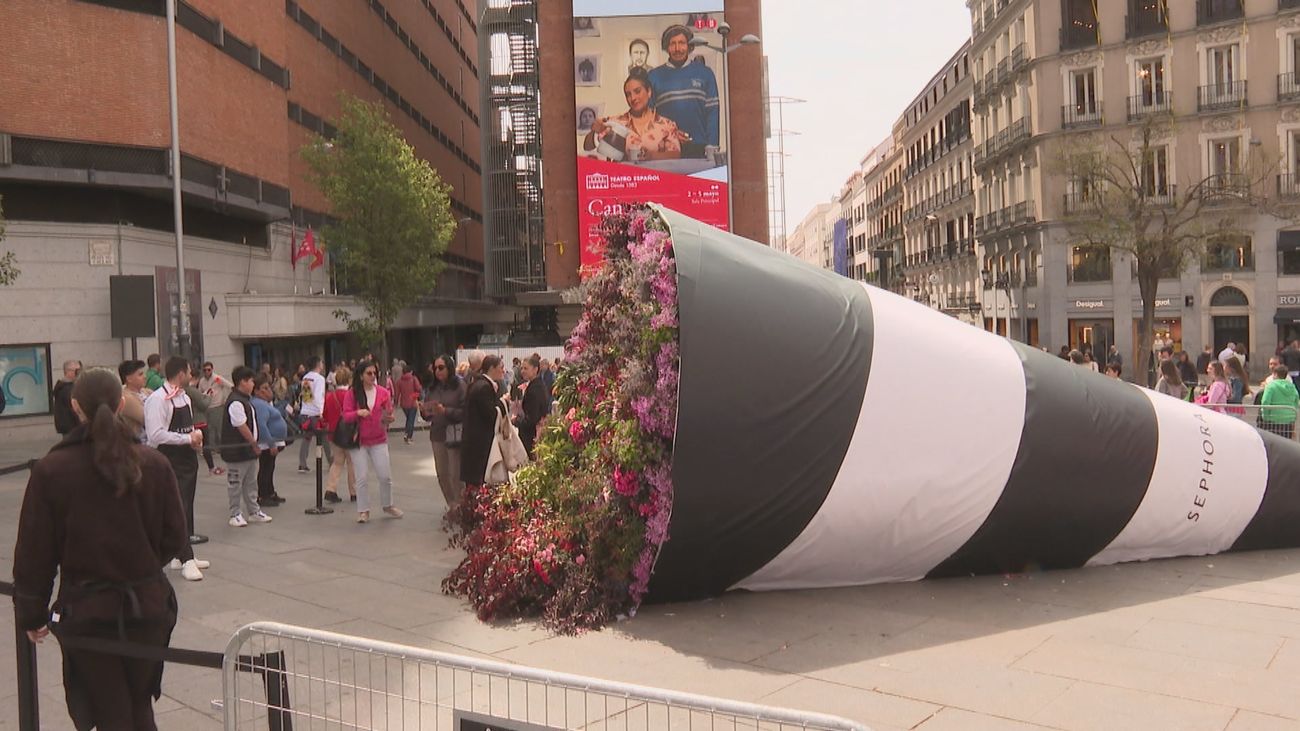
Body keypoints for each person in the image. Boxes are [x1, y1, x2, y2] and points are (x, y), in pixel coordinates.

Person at [13, 368, 189, 731]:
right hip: (147, 608)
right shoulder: (155, 464)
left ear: (75, 407)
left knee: (115, 712)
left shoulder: (52, 470)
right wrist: (139, 565)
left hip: (89, 612)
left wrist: (31, 612)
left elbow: (35, 552)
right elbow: (175, 537)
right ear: (122, 403)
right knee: (136, 706)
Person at [144, 356, 209, 581]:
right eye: (190, 372)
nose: (192, 376)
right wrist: (186, 439)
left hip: (187, 458)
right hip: (168, 458)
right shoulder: (157, 399)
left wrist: (195, 440)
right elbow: (155, 434)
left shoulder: (185, 397)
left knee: (187, 504)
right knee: (177, 507)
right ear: (181, 373)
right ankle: (186, 559)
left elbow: (188, 427)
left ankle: (179, 554)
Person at [341, 360, 403, 523]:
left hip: (379, 438)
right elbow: (346, 415)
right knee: (361, 477)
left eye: (375, 373)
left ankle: (387, 505)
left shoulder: (383, 392)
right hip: (359, 440)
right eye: (369, 373)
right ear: (361, 376)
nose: (373, 376)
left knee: (385, 476)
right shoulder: (352, 393)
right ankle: (363, 510)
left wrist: (390, 418)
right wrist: (358, 413)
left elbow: (388, 412)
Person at [585, 69, 689, 163]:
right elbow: (587, 146)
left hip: (656, 180)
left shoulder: (666, 124)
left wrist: (652, 156)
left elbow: (675, 154)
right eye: (628, 94)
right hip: (625, 180)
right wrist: (595, 131)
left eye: (637, 91)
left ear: (649, 92)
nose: (633, 98)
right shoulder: (616, 123)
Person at [648, 24, 719, 148]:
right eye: (672, 44)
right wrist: (669, 134)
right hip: (665, 147)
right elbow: (647, 117)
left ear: (689, 46)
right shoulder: (653, 76)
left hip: (700, 148)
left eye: (682, 43)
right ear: (666, 47)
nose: (677, 48)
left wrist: (712, 146)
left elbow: (713, 114)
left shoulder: (705, 73)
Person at [220, 366, 271, 528]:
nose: (252, 383)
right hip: (237, 451)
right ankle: (235, 513)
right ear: (242, 382)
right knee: (235, 483)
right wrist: (254, 444)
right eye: (250, 380)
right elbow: (241, 426)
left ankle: (254, 511)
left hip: (247, 452)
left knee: (251, 483)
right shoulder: (235, 401)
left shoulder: (245, 399)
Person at [422, 354, 467, 511]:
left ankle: (462, 505)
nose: (437, 371)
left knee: (455, 474)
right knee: (442, 473)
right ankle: (452, 504)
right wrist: (424, 411)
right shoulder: (432, 388)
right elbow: (427, 413)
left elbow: (465, 411)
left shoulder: (460, 386)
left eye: (441, 368)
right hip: (437, 434)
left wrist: (446, 411)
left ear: (449, 368)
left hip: (454, 434)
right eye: (435, 368)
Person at [461, 355, 509, 489]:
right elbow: (492, 415)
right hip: (479, 447)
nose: (503, 371)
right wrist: (504, 401)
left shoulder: (478, 383)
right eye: (501, 367)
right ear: (492, 368)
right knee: (479, 486)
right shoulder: (483, 387)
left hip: (474, 445)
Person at [320, 365, 357, 503]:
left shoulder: (330, 396)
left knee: (337, 463)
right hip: (349, 433)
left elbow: (325, 415)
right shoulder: (352, 395)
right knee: (352, 463)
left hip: (334, 434)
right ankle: (354, 492)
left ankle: (331, 489)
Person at [251, 376, 288, 507]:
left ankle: (270, 492)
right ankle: (263, 495)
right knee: (265, 468)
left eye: (268, 388)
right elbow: (261, 425)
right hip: (267, 443)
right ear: (256, 391)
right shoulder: (259, 404)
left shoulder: (265, 403)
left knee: (270, 467)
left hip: (272, 441)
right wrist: (271, 444)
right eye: (264, 389)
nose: (268, 391)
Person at [198, 361, 232, 478]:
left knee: (218, 428)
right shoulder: (202, 381)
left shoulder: (217, 378)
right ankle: (212, 448)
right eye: (205, 370)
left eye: (209, 370)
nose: (207, 372)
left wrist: (225, 398)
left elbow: (229, 385)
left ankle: (222, 448)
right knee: (210, 428)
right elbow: (199, 393)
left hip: (217, 406)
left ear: (212, 370)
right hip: (207, 407)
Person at [514, 355, 551, 459]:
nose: (522, 371)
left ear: (535, 370)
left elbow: (532, 418)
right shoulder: (535, 385)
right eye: (521, 368)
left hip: (531, 436)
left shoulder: (535, 389)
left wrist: (516, 421)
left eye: (526, 368)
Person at [297, 356, 328, 473]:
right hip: (315, 413)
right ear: (318, 364)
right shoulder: (319, 379)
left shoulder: (306, 377)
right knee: (324, 437)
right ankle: (331, 460)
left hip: (306, 412)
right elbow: (319, 396)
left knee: (306, 438)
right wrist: (320, 411)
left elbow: (306, 396)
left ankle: (302, 463)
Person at [1259, 364, 1300, 439]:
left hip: (1274, 418)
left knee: (1274, 442)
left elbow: (1265, 401)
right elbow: (1297, 402)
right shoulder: (1292, 387)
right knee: (1286, 442)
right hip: (1288, 419)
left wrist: (1265, 416)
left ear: (1275, 374)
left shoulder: (1271, 386)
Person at [118, 359, 152, 439]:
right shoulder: (126, 397)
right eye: (140, 374)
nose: (145, 377)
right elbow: (146, 419)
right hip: (139, 441)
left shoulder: (146, 391)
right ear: (129, 379)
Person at [393, 362, 422, 445]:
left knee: (408, 419)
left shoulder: (399, 381)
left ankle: (406, 434)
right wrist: (416, 395)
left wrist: (395, 403)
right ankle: (409, 436)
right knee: (411, 420)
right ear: (411, 371)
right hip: (413, 402)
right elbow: (418, 389)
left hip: (404, 404)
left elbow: (397, 393)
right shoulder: (413, 379)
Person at [52, 359, 81, 436]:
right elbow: (74, 409)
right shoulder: (67, 389)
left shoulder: (63, 386)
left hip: (69, 427)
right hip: (72, 427)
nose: (79, 373)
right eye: (77, 370)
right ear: (68, 371)